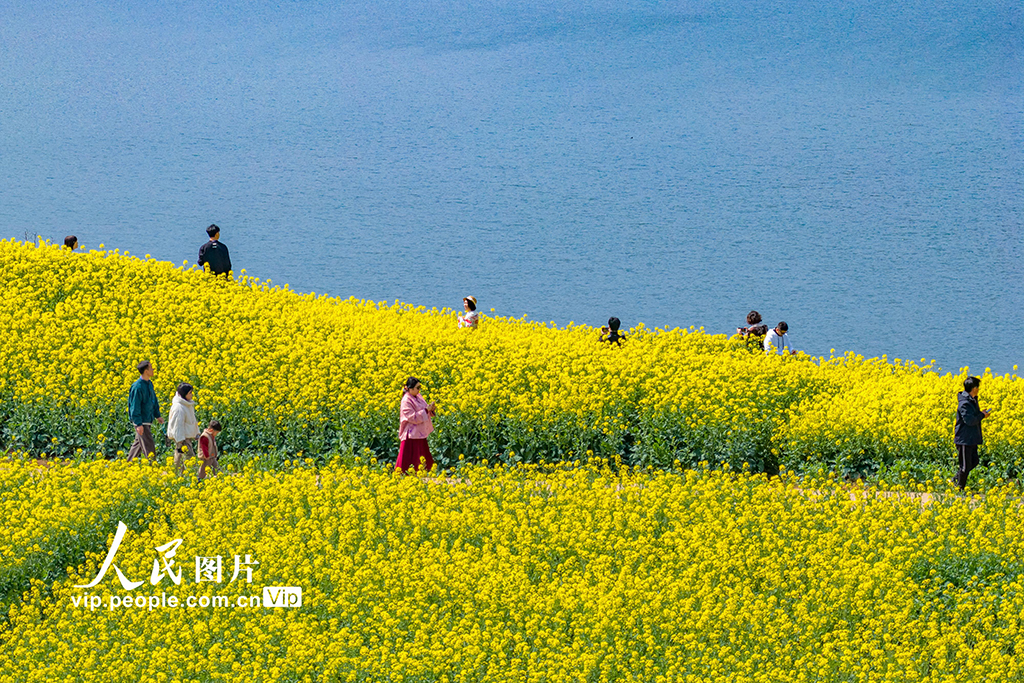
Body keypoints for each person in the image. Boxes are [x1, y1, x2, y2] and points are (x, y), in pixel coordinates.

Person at [954, 376, 992, 490]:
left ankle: (955, 480)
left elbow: (972, 416)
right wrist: (982, 415)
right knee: (965, 466)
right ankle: (959, 489)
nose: (979, 389)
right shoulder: (965, 403)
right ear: (974, 388)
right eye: (978, 387)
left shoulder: (972, 400)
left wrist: (981, 413)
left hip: (971, 438)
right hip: (964, 439)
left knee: (974, 461)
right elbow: (969, 420)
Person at [396, 377, 435, 472]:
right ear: (410, 389)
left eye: (420, 387)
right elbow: (411, 417)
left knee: (422, 459)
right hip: (411, 434)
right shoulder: (406, 400)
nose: (419, 390)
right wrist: (426, 410)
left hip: (419, 433)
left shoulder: (418, 397)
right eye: (417, 388)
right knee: (408, 461)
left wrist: (431, 409)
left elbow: (424, 409)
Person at [127, 361, 163, 461]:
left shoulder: (149, 383)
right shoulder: (137, 387)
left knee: (138, 444)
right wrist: (138, 424)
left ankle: (128, 464)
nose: (153, 370)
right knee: (148, 444)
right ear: (146, 371)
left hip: (147, 418)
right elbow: (135, 406)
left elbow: (153, 400)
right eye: (151, 368)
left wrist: (157, 415)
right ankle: (153, 466)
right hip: (142, 420)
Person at [166, 383, 200, 476]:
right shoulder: (179, 407)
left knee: (179, 456)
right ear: (184, 394)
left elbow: (192, 420)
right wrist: (180, 440)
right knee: (189, 457)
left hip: (185, 436)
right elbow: (178, 425)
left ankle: (177, 476)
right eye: (190, 393)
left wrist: (196, 433)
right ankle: (192, 477)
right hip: (182, 438)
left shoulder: (186, 404)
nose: (192, 394)